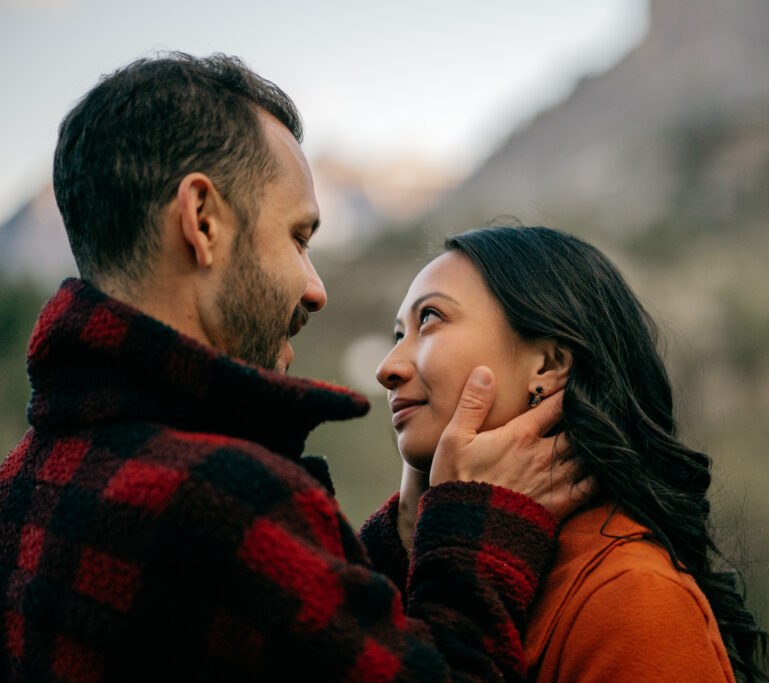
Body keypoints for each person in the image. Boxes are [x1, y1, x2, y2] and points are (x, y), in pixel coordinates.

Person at [0, 54, 585, 682]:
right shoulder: (226, 501)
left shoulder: (20, 485)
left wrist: (413, 528)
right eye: (299, 239)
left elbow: (306, 642)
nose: (315, 289)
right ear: (202, 221)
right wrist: (476, 520)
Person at [364, 226, 769, 682]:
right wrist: (415, 523)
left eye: (430, 320)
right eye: (399, 334)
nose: (388, 367)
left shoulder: (630, 595)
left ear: (549, 365)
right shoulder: (429, 557)